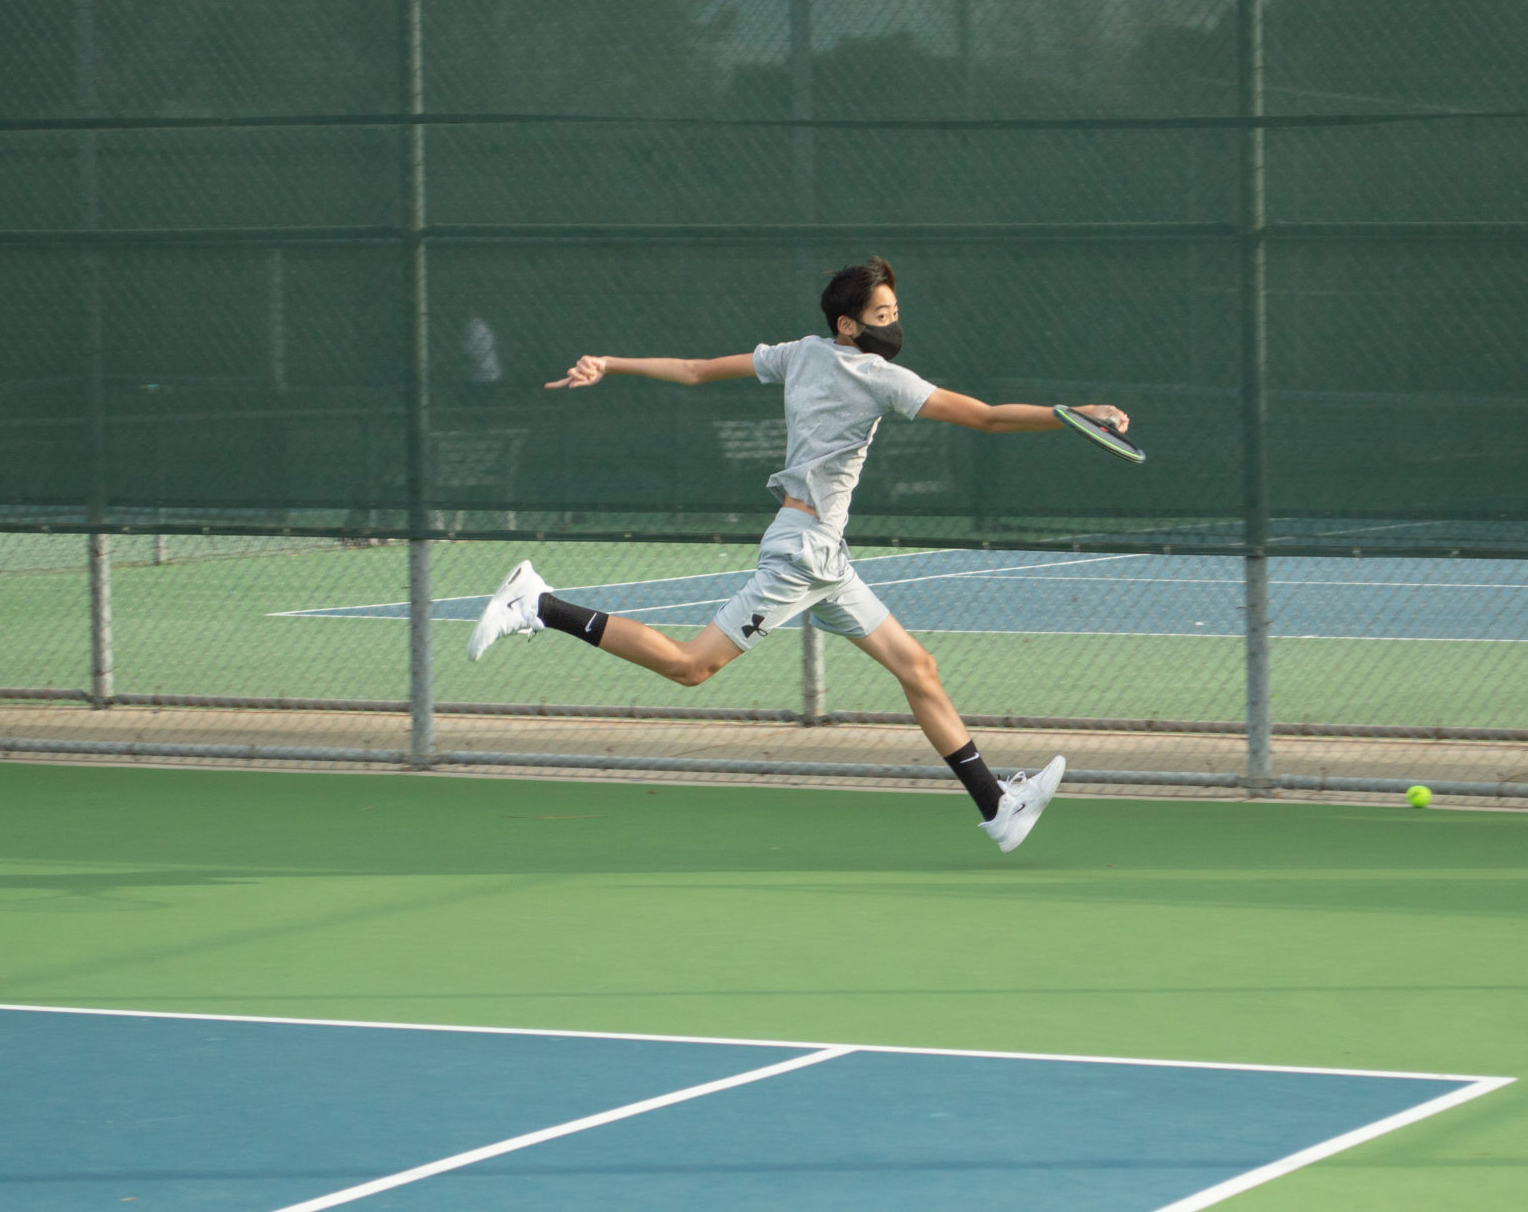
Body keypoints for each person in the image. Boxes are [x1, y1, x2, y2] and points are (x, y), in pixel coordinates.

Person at [466, 256, 1130, 853]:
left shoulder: (799, 353)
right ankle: (539, 604)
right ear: (847, 324)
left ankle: (997, 807)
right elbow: (983, 416)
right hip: (802, 558)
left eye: (895, 311)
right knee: (691, 667)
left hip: (824, 557)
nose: (894, 324)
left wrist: (611, 362)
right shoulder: (881, 377)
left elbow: (695, 371)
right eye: (881, 315)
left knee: (917, 667)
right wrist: (1070, 413)